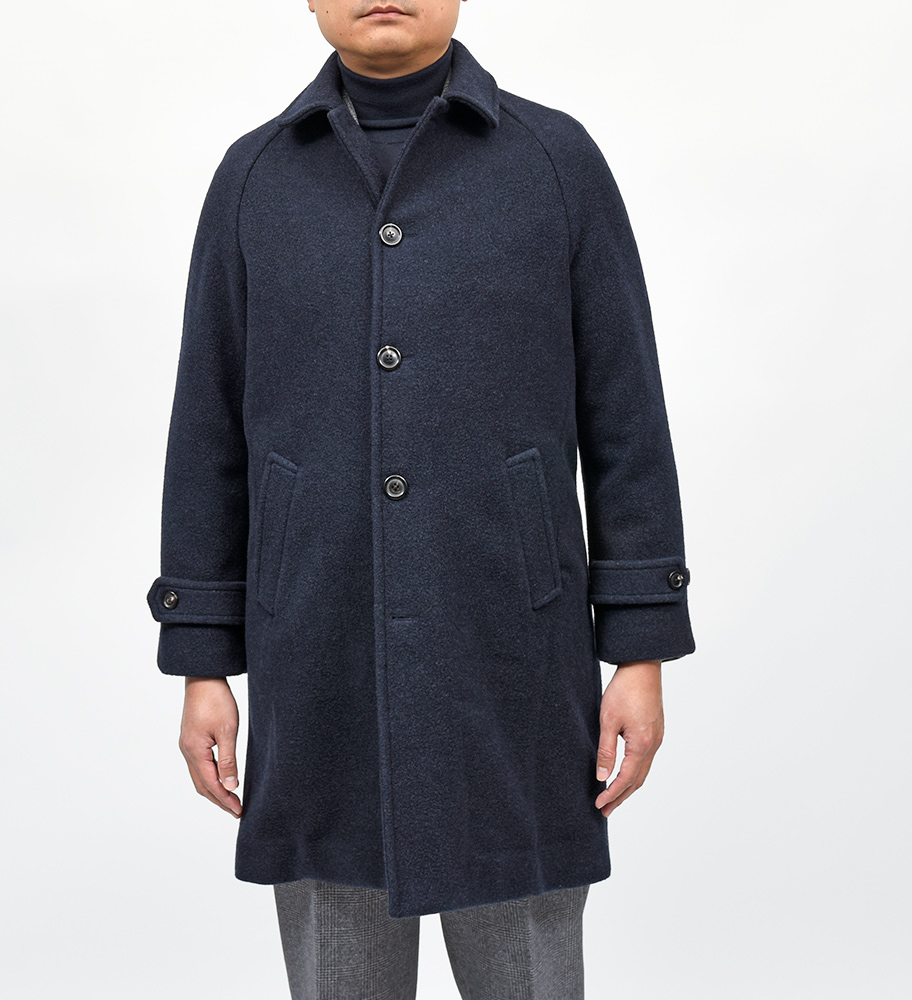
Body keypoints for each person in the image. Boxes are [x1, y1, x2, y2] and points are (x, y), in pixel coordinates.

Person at [147, 2, 696, 997]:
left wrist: (640, 647)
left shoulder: (553, 162)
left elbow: (626, 416)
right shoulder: (254, 179)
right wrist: (202, 660)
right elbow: (208, 428)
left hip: (513, 658)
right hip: (318, 658)